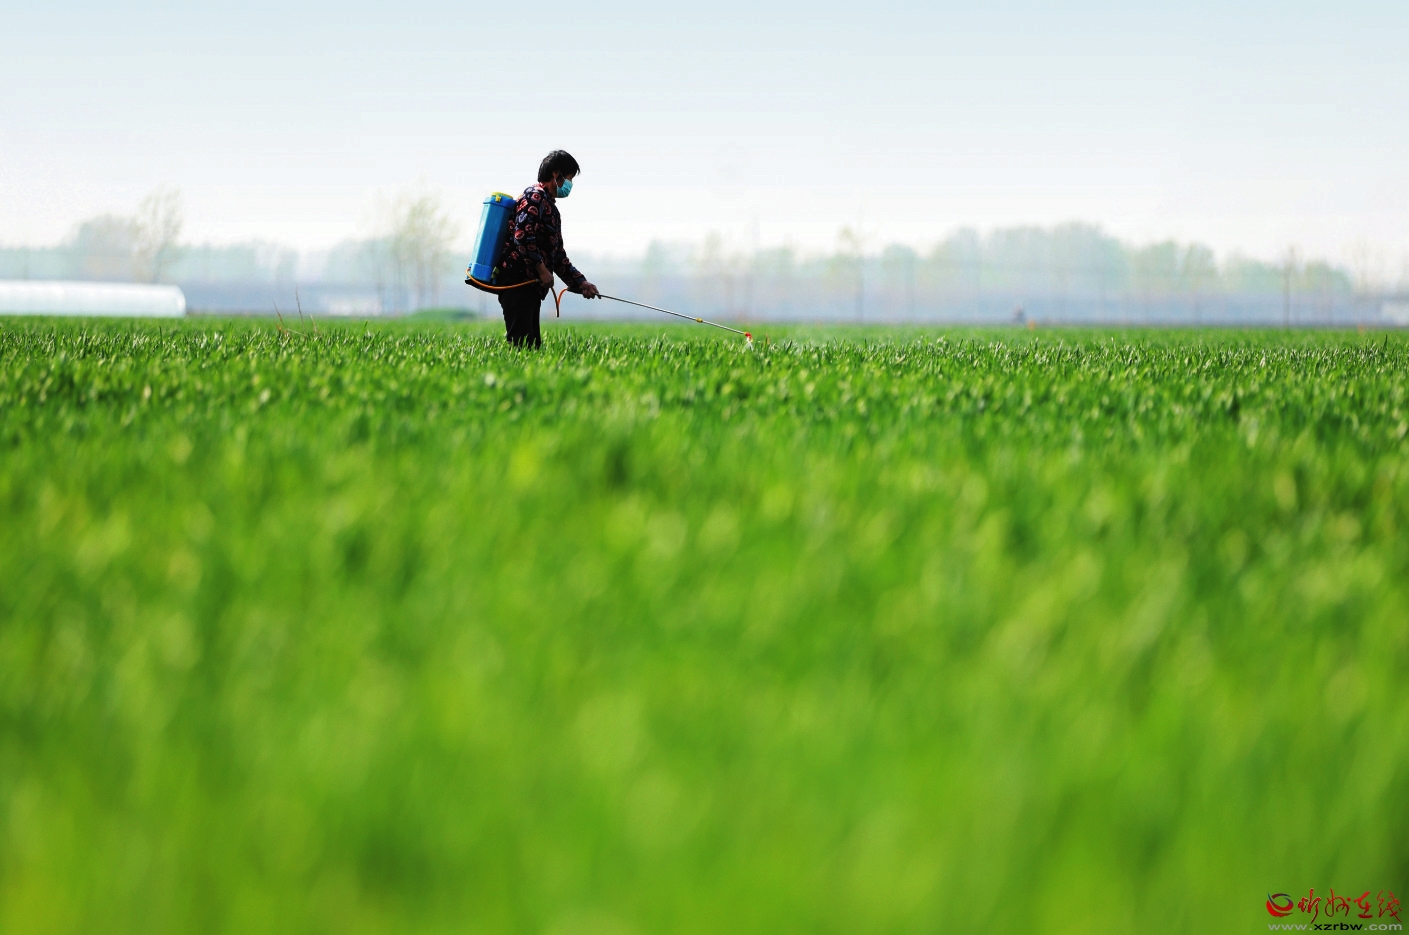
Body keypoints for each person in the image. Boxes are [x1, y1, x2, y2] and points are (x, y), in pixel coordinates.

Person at [495, 150, 600, 347]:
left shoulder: (550, 208)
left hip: (531, 285)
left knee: (531, 346)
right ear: (555, 174)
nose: (570, 184)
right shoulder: (534, 197)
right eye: (569, 178)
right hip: (517, 281)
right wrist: (542, 270)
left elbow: (558, 257)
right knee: (521, 345)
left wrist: (581, 283)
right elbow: (522, 236)